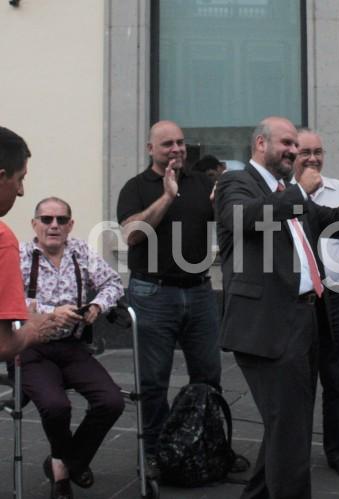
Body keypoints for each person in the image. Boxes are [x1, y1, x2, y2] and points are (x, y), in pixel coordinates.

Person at [215, 116, 339, 499]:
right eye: (287, 143)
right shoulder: (236, 182)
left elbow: (332, 221)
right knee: (290, 432)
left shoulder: (289, 190)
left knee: (287, 426)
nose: (295, 151)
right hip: (266, 326)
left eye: (297, 145)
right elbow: (243, 219)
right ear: (261, 143)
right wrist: (297, 194)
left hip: (306, 319)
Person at [116, 120, 223, 474]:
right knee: (152, 380)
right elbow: (132, 235)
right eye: (167, 145)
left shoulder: (203, 183)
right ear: (151, 150)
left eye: (180, 143)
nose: (177, 149)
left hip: (199, 291)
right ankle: (155, 452)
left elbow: (226, 222)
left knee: (208, 375)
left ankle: (211, 446)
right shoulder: (136, 187)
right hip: (152, 293)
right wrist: (167, 195)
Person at [19, 197, 125, 499]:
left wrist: (96, 305)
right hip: (31, 345)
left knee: (111, 401)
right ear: (35, 223)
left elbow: (113, 284)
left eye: (61, 220)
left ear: (70, 224)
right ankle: (64, 477)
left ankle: (65, 463)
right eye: (47, 219)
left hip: (72, 346)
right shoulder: (22, 255)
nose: (54, 225)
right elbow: (8, 301)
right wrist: (51, 312)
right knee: (56, 406)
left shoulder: (80, 251)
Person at [292, 128, 339, 481]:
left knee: (337, 379)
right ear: (292, 154)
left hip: (335, 293)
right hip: (299, 298)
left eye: (318, 151)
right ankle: (294, 453)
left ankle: (338, 451)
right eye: (305, 151)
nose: (313, 158)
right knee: (298, 381)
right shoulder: (284, 195)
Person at [0, 126, 56, 361]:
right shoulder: (3, 241)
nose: (21, 191)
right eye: (20, 179)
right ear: (2, 177)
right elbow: (3, 346)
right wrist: (34, 328)